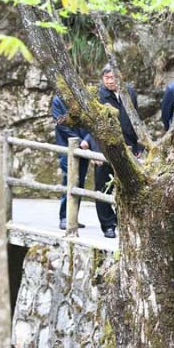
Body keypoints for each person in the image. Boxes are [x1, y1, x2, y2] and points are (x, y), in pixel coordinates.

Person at [94, 65, 141, 238]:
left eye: (113, 77)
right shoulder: (98, 95)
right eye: (107, 78)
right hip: (105, 146)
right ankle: (108, 225)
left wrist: (139, 145)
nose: (110, 81)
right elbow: (94, 125)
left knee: (129, 184)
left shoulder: (129, 92)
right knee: (103, 186)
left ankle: (125, 220)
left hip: (128, 144)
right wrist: (96, 151)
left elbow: (136, 117)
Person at [51, 95, 91, 230]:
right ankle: (64, 217)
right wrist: (80, 141)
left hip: (85, 147)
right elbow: (61, 125)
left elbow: (92, 121)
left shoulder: (81, 96)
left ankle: (73, 216)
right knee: (69, 181)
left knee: (79, 182)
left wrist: (87, 140)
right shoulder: (58, 100)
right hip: (66, 147)